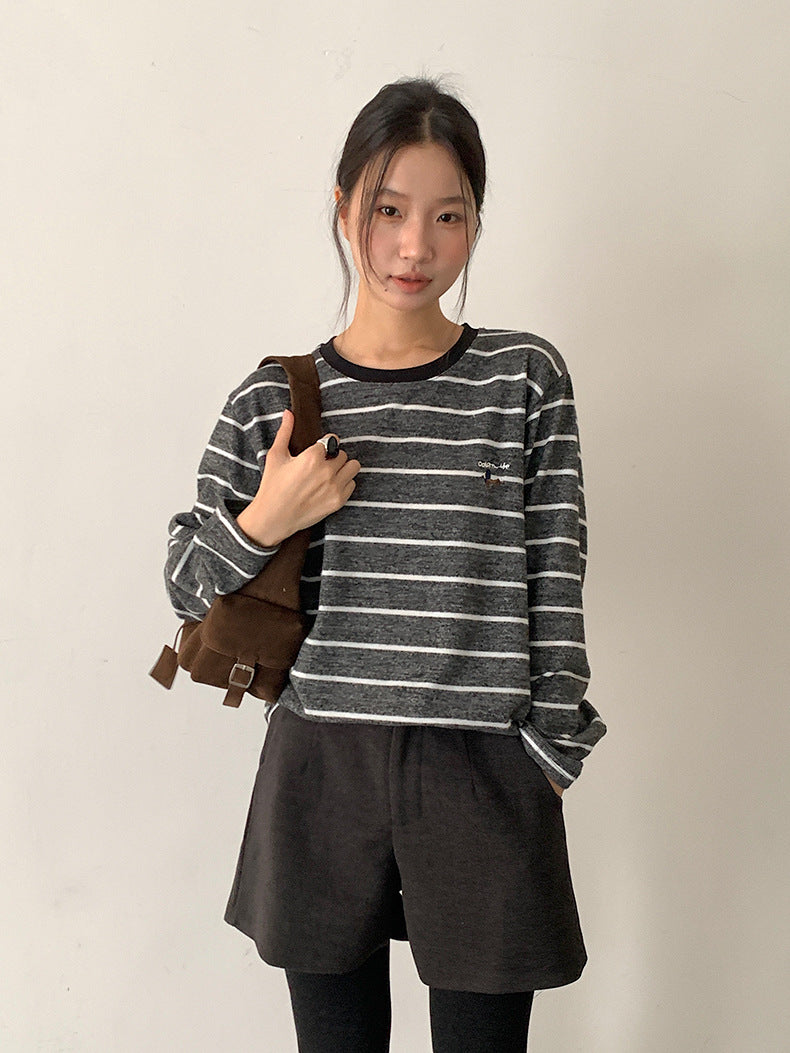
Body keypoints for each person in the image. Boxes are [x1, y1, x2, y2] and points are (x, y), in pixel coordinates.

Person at [163, 75, 607, 1053]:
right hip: (321, 766)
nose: (416, 246)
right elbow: (185, 582)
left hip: (485, 765)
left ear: (476, 221)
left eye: (448, 215)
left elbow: (557, 567)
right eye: (389, 210)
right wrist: (269, 516)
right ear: (343, 208)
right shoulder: (273, 399)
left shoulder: (522, 378)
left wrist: (550, 751)